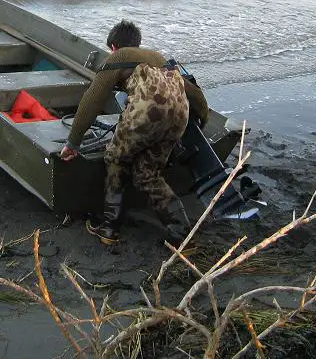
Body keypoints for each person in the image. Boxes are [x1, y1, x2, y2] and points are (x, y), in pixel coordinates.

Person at [60, 20, 209, 246]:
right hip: (180, 115)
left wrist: (73, 142)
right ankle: (182, 234)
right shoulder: (160, 59)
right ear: (138, 44)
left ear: (113, 47)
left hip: (146, 113)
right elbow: (196, 96)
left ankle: (109, 229)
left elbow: (92, 100)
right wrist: (203, 120)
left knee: (116, 158)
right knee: (147, 172)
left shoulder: (118, 58)